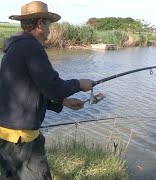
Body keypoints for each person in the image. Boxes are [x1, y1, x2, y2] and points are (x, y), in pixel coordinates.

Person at [0, 1, 96, 179]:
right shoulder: (31, 48)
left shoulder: (15, 48)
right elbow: (53, 87)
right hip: (22, 140)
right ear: (40, 24)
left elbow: (30, 90)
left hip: (7, 136)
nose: (50, 29)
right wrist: (79, 84)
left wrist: (63, 102)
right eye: (49, 23)